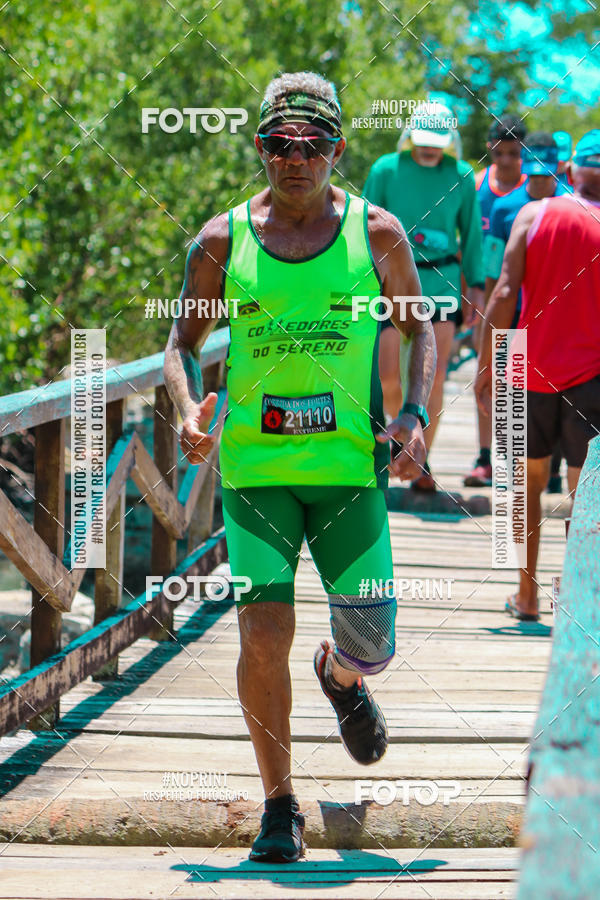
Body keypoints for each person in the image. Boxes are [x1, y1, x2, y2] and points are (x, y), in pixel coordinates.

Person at [164, 71, 436, 863]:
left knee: (372, 639)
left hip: (350, 470)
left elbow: (420, 331)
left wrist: (415, 413)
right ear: (260, 149)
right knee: (261, 635)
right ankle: (278, 807)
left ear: (337, 151)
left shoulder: (378, 233)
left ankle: (344, 678)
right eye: (280, 144)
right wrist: (187, 409)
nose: (296, 159)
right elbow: (178, 345)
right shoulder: (222, 241)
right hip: (256, 475)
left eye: (313, 145)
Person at [475, 129, 600, 621]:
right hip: (592, 375)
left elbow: (504, 293)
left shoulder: (532, 214)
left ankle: (525, 598)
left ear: (570, 173)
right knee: (584, 493)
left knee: (522, 489)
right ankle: (579, 597)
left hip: (523, 365)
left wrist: (489, 365)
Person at [363, 101, 484, 491]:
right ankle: (398, 439)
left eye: (437, 141)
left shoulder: (462, 175)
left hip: (441, 282)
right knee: (387, 376)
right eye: (423, 140)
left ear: (450, 139)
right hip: (390, 282)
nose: (430, 148)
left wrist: (475, 287)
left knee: (434, 379)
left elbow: (472, 235)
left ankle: (423, 460)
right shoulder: (385, 169)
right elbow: (362, 223)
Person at [467, 133, 570, 488]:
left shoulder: (572, 205)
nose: (541, 181)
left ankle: (554, 467)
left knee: (558, 391)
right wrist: (492, 324)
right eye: (534, 173)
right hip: (515, 318)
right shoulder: (504, 208)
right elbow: (494, 274)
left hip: (560, 320)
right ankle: (513, 466)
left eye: (547, 174)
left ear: (557, 168)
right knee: (514, 393)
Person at [465, 115, 527, 487]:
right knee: (487, 376)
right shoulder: (475, 188)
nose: (505, 161)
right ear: (489, 148)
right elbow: (467, 247)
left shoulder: (534, 190)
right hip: (485, 302)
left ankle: (520, 460)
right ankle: (485, 456)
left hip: (525, 301)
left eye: (514, 153)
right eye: (500, 152)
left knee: (518, 383)